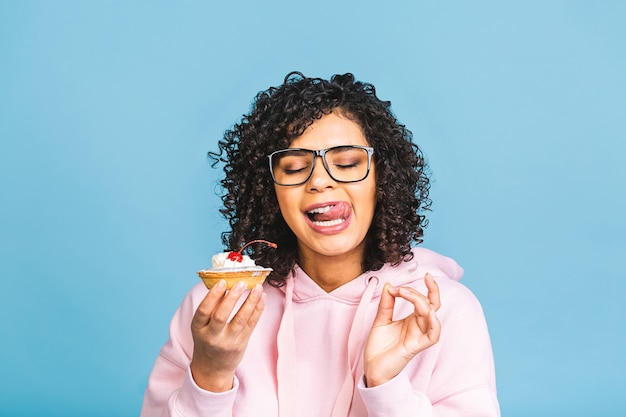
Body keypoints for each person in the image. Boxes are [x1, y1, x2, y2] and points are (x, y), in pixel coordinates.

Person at [140, 72, 500, 417]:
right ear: (270, 191)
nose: (321, 182)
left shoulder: (444, 313)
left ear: (382, 178)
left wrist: (387, 387)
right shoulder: (213, 312)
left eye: (346, 162)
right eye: (295, 169)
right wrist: (210, 375)